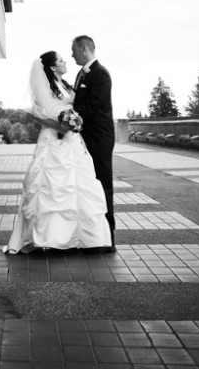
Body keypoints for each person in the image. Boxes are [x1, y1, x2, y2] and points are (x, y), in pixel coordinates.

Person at [3, 51, 112, 254]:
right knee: (53, 188)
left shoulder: (66, 85)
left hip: (72, 140)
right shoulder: (45, 89)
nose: (65, 61)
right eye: (61, 60)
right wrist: (61, 125)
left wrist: (73, 122)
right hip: (54, 140)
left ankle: (79, 238)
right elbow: (39, 112)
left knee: (78, 187)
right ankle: (53, 238)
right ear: (53, 67)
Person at [71, 34, 116, 249]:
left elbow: (94, 106)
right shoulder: (83, 73)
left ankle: (109, 238)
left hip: (99, 137)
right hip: (87, 136)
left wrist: (69, 116)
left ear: (83, 49)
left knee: (103, 184)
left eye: (74, 50)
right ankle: (94, 236)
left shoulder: (100, 74)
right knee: (91, 185)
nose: (71, 55)